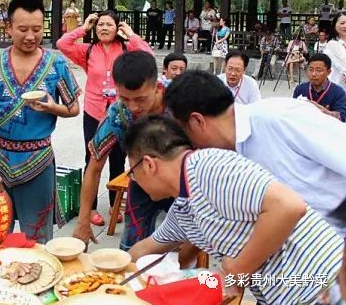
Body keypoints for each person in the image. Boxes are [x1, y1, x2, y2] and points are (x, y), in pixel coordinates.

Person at [125, 114, 343, 305]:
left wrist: (236, 270)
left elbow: (289, 206)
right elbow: (146, 248)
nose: (133, 180)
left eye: (132, 173)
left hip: (324, 287)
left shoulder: (208, 166)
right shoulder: (184, 206)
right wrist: (105, 271)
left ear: (149, 164)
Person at [164, 70, 346, 236]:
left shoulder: (278, 118)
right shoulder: (228, 158)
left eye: (183, 132)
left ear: (197, 122)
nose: (189, 145)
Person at [0, 0, 81, 243]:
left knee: (36, 237)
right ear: (9, 29)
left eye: (37, 29)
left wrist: (51, 108)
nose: (30, 36)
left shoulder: (56, 64)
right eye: (23, 29)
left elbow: (74, 108)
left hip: (37, 160)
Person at [57, 10, 151, 226]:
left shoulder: (126, 49)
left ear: (117, 28)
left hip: (120, 113)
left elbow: (146, 55)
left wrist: (131, 34)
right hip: (93, 112)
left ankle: (114, 204)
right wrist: (84, 27)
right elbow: (63, 44)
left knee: (118, 161)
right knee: (92, 160)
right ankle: (88, 209)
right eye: (100, 25)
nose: (104, 28)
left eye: (109, 24)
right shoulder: (88, 51)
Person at [72, 51, 174, 251]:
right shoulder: (119, 113)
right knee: (129, 250)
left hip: (183, 187)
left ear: (158, 87)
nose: (133, 106)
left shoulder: (180, 103)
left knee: (186, 250)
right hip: (141, 184)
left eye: (141, 99)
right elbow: (94, 167)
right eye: (125, 98)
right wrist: (83, 220)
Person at [293, 53, 346, 122]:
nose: (314, 74)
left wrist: (327, 113)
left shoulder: (338, 92)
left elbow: (342, 118)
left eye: (319, 70)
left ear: (328, 72)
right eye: (311, 69)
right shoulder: (300, 89)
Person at [324, 11, 346, 92]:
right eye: (342, 23)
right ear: (334, 25)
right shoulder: (333, 44)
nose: (345, 26)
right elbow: (344, 66)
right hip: (337, 90)